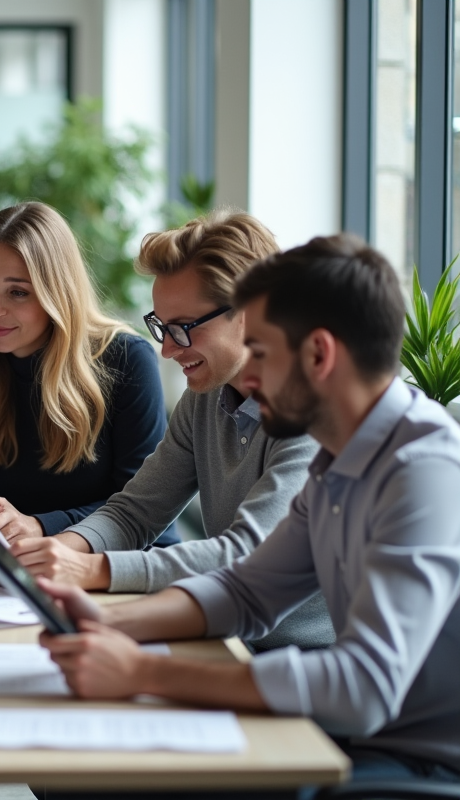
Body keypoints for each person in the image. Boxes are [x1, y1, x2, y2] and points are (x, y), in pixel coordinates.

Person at [39, 234, 460, 794]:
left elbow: (364, 688)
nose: (248, 377)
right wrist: (109, 623)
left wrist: (144, 671)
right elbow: (249, 591)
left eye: (259, 351)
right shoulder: (340, 458)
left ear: (318, 354)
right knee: (80, 772)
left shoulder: (422, 470)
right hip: (352, 737)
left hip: (409, 765)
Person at [12, 210, 333, 651]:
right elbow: (136, 512)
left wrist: (92, 569)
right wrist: (63, 551)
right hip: (227, 639)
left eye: (182, 328)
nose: (166, 350)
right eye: (162, 327)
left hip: (303, 665)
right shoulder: (206, 397)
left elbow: (246, 554)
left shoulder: (316, 413)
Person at [0, 202, 176, 555]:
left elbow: (144, 511)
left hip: (129, 561)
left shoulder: (126, 359)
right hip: (28, 562)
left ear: (56, 293)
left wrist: (41, 525)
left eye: (18, 292)